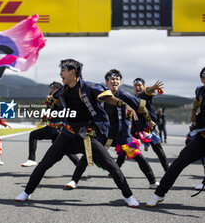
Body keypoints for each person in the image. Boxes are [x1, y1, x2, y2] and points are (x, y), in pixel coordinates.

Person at [15, 59, 140, 207]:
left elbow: (109, 98)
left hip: (87, 136)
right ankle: (27, 192)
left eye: (63, 70)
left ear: (72, 72)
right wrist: (50, 106)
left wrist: (125, 105)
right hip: (67, 135)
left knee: (112, 166)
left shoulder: (90, 88)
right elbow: (55, 100)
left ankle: (128, 195)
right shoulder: (63, 90)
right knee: (44, 165)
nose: (60, 74)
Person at [66, 70, 159, 190]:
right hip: (104, 133)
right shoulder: (101, 93)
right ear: (106, 82)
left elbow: (142, 106)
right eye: (112, 79)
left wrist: (149, 120)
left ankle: (152, 181)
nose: (115, 81)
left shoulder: (125, 95)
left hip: (122, 134)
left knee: (138, 157)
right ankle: (74, 180)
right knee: (88, 153)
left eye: (117, 79)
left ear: (120, 82)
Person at [146, 67, 205, 207]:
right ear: (202, 79)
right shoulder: (200, 90)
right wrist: (193, 111)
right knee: (179, 162)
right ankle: (159, 193)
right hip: (202, 137)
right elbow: (197, 101)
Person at [21, 81, 80, 168]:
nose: (50, 90)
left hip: (59, 130)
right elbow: (48, 112)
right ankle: (31, 159)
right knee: (33, 135)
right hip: (50, 128)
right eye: (50, 88)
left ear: (57, 90)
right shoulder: (49, 100)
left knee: (66, 150)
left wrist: (54, 99)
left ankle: (80, 167)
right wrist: (45, 117)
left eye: (52, 88)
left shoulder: (62, 99)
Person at [131, 78, 169, 172]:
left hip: (148, 129)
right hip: (136, 128)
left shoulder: (144, 95)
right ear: (133, 87)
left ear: (143, 87)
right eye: (136, 85)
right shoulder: (131, 98)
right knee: (125, 146)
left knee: (159, 150)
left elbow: (147, 92)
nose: (138, 87)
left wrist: (152, 88)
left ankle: (168, 171)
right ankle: (117, 167)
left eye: (140, 85)